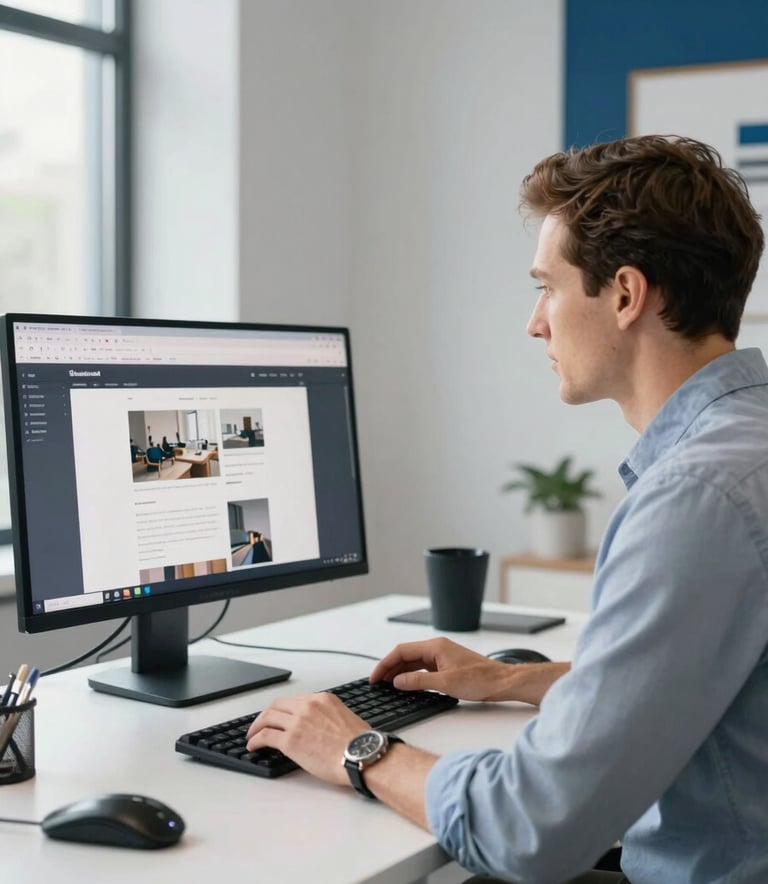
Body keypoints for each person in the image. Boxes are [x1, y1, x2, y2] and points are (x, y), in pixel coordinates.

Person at [244, 135, 768, 883]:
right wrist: (511, 680)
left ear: (626, 294)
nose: (535, 323)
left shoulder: (696, 499)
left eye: (546, 288)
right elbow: (709, 685)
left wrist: (358, 749)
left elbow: (529, 829)